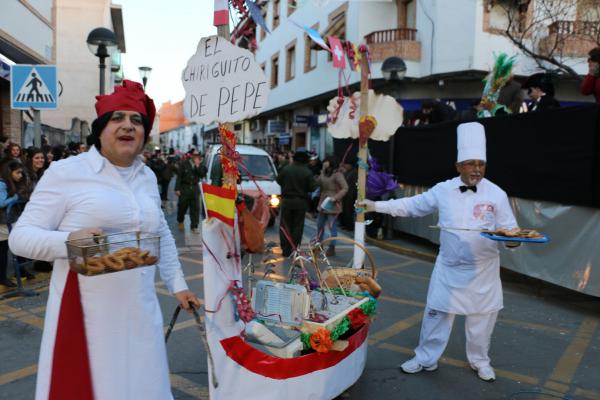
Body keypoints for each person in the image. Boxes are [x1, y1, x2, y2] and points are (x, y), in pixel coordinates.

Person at [9, 80, 200, 400]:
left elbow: (161, 233)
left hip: (141, 314)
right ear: (100, 129)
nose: (128, 125)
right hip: (86, 318)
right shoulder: (67, 172)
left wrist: (178, 284)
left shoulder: (148, 176)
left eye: (136, 120)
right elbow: (20, 238)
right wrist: (69, 241)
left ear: (144, 134)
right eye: (117, 118)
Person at [359, 122, 519, 382]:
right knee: (436, 315)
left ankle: (480, 361)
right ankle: (425, 358)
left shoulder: (497, 194)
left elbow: (510, 230)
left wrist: (513, 241)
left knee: (481, 321)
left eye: (481, 163)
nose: (477, 169)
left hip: (483, 271)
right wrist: (376, 205)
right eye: (471, 163)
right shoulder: (443, 190)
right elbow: (412, 205)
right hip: (449, 267)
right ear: (458, 166)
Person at [277, 147, 318, 257]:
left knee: (285, 225)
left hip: (286, 201)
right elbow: (313, 188)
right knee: (297, 227)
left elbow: (278, 180)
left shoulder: (287, 169)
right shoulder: (307, 172)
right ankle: (294, 248)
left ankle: (285, 249)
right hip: (301, 202)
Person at [314, 155, 348, 257]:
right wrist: (322, 170)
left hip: (332, 202)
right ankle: (319, 246)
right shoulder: (324, 172)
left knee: (332, 227)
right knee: (320, 225)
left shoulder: (337, 174)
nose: (324, 163)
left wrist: (336, 197)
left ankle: (332, 247)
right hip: (323, 201)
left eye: (326, 161)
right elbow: (318, 183)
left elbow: (345, 188)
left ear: (331, 162)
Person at [0, 160, 27, 287]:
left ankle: (3, 277)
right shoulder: (2, 184)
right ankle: (2, 278)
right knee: (2, 251)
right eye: (18, 173)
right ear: (9, 172)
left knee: (4, 250)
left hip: (8, 221)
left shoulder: (11, 183)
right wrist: (15, 197)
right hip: (3, 223)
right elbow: (1, 203)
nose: (20, 175)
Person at [175, 150, 206, 233]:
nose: (196, 157)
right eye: (194, 155)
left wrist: (197, 165)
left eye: (197, 155)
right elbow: (179, 177)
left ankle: (194, 226)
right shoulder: (184, 164)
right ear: (191, 156)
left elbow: (202, 174)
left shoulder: (200, 165)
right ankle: (180, 220)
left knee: (195, 209)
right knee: (182, 207)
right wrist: (177, 189)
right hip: (185, 188)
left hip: (195, 188)